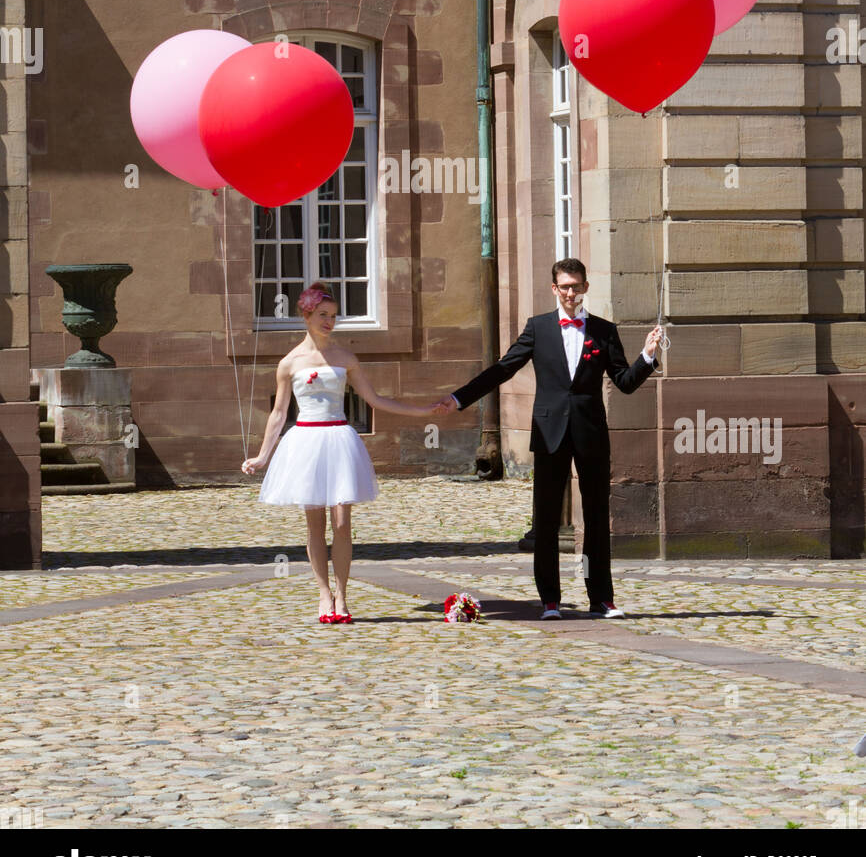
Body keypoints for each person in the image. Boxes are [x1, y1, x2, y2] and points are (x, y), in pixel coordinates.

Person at [434, 258, 662, 620]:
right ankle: (550, 601)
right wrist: (460, 398)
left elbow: (624, 383)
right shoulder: (538, 328)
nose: (571, 293)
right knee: (545, 521)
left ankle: (600, 598)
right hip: (550, 433)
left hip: (590, 434)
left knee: (597, 519)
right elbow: (503, 368)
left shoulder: (604, 331)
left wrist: (646, 356)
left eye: (576, 286)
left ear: (586, 287)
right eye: (564, 287)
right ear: (554, 289)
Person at [242, 281, 437, 625]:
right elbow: (278, 413)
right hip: (305, 443)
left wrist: (423, 412)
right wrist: (262, 457)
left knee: (343, 523)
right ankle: (323, 594)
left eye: (333, 316)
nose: (329, 322)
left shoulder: (345, 358)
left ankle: (343, 595)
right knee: (314, 525)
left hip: (339, 439)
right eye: (322, 315)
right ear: (306, 315)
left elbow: (375, 400)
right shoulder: (289, 363)